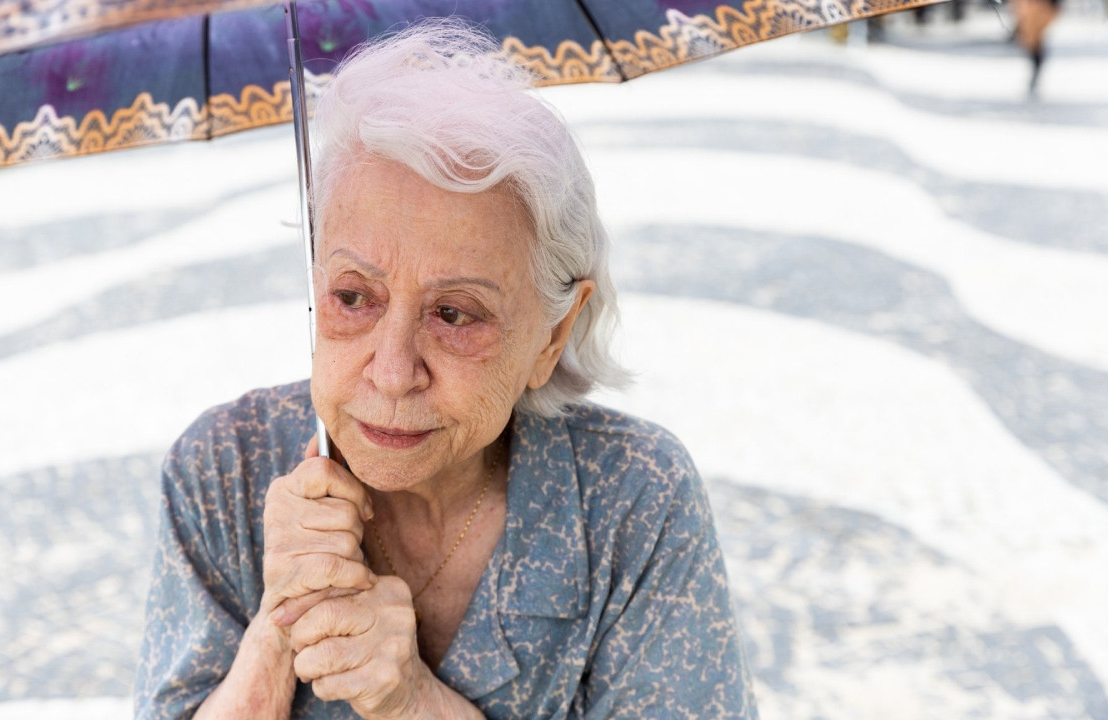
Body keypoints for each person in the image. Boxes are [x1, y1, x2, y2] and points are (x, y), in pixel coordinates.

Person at [135, 20, 756, 720]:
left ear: (553, 334)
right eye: (352, 297)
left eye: (455, 315)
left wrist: (412, 700)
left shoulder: (631, 499)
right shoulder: (223, 470)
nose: (394, 372)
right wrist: (278, 631)